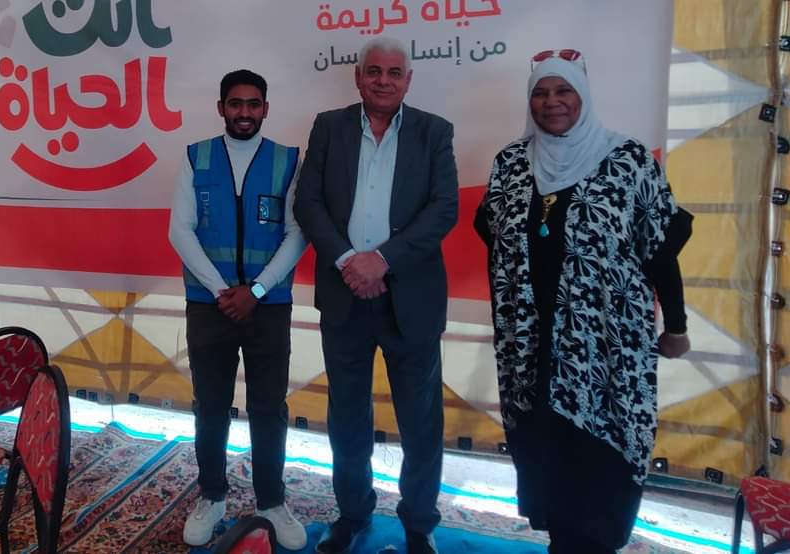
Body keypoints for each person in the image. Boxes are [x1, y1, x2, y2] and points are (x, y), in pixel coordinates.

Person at [474, 50, 692, 554]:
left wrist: (676, 326)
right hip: (532, 346)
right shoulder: (511, 163)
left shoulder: (627, 161)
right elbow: (491, 230)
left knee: (601, 467)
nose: (551, 102)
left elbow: (660, 249)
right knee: (548, 461)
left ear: (584, 96)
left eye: (563, 91)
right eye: (540, 93)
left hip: (605, 349)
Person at [294, 36, 458, 554]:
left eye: (393, 73)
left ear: (408, 80)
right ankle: (352, 513)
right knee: (347, 416)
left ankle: (419, 525)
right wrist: (350, 261)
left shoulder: (434, 132)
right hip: (345, 294)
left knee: (420, 421)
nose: (383, 80)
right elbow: (308, 202)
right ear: (358, 77)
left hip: (412, 300)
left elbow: (444, 208)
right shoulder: (329, 127)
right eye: (374, 71)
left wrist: (381, 260)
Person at [169, 69, 308, 551]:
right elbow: (180, 230)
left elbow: (298, 232)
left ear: (265, 109)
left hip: (269, 307)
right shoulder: (197, 157)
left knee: (268, 407)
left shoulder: (288, 161)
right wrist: (223, 290)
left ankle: (271, 502)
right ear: (221, 107)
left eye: (253, 104)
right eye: (235, 103)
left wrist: (258, 290)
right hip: (209, 306)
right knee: (210, 405)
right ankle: (212, 496)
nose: (244, 112)